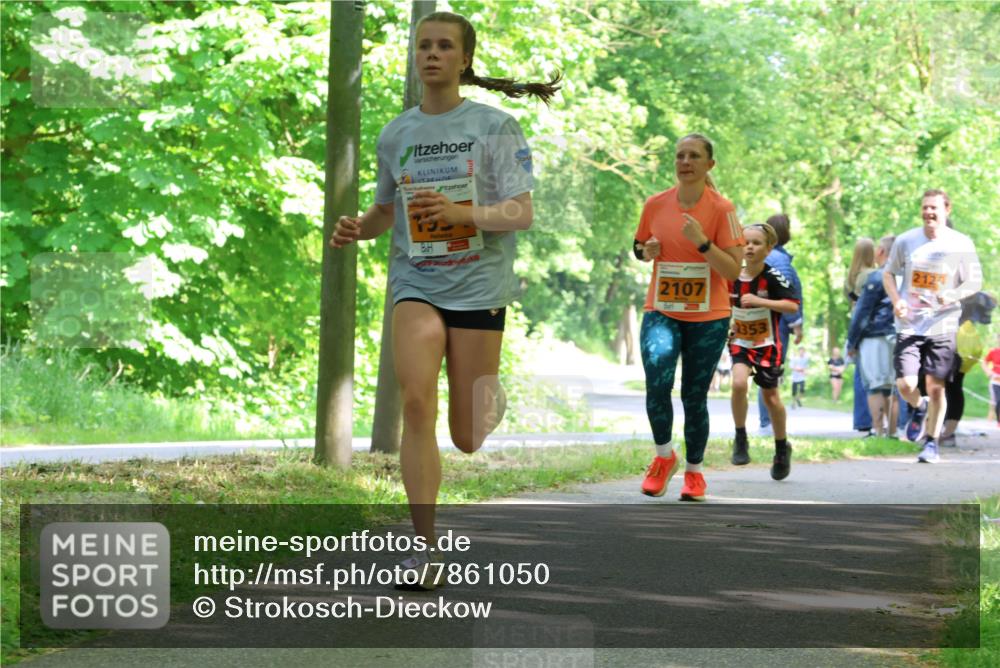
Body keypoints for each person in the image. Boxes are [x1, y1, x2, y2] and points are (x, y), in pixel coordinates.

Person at [330, 11, 560, 587]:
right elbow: (388, 210)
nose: (431, 54)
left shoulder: (496, 126)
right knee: (415, 404)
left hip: (480, 286)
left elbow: (522, 213)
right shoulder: (396, 133)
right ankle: (425, 549)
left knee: (467, 435)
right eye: (423, 45)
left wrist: (463, 213)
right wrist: (361, 226)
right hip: (417, 282)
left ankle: (481, 397)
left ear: (464, 59)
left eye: (444, 46)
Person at [634, 133, 745, 501]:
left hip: (708, 315)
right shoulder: (655, 204)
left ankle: (694, 474)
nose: (686, 161)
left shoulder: (722, 209)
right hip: (662, 308)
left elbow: (732, 270)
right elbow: (639, 246)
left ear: (709, 165)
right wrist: (645, 250)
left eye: (694, 156)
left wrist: (702, 242)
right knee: (656, 382)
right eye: (680, 155)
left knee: (694, 395)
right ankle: (664, 457)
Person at [883, 189, 982, 463]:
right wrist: (896, 300)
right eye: (925, 207)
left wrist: (950, 295)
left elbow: (974, 282)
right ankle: (918, 406)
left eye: (934, 208)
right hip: (909, 323)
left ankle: (931, 443)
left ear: (946, 210)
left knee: (936, 386)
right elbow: (888, 273)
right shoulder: (906, 240)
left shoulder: (961, 243)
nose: (928, 213)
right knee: (906, 384)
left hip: (943, 323)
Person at [728, 223, 800, 479]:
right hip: (740, 341)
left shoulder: (773, 276)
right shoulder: (732, 275)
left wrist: (761, 301)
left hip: (767, 344)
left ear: (769, 249)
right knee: (738, 384)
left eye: (756, 243)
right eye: (745, 242)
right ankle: (740, 438)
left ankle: (782, 447)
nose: (749, 247)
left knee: (770, 397)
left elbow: (792, 306)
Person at [846, 235, 897, 438]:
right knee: (892, 387)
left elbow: (862, 312)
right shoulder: (902, 276)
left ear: (882, 252)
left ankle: (878, 430)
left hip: (874, 336)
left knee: (875, 386)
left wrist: (852, 341)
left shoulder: (877, 277)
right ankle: (892, 432)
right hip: (897, 334)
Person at [756, 214, 803, 434]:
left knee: (766, 369)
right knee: (769, 370)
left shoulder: (767, 256)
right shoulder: (780, 259)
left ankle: (767, 421)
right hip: (776, 323)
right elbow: (787, 294)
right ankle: (767, 422)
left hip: (764, 319)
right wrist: (796, 323)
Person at [940, 292, 997, 446]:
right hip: (954, 341)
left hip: (957, 342)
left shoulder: (965, 288)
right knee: (947, 387)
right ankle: (943, 432)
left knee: (950, 387)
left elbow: (990, 302)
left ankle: (946, 433)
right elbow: (989, 304)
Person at [982, 333, 1000, 429]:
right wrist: (988, 372)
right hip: (996, 380)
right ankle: (998, 421)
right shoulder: (994, 352)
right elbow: (984, 362)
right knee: (997, 400)